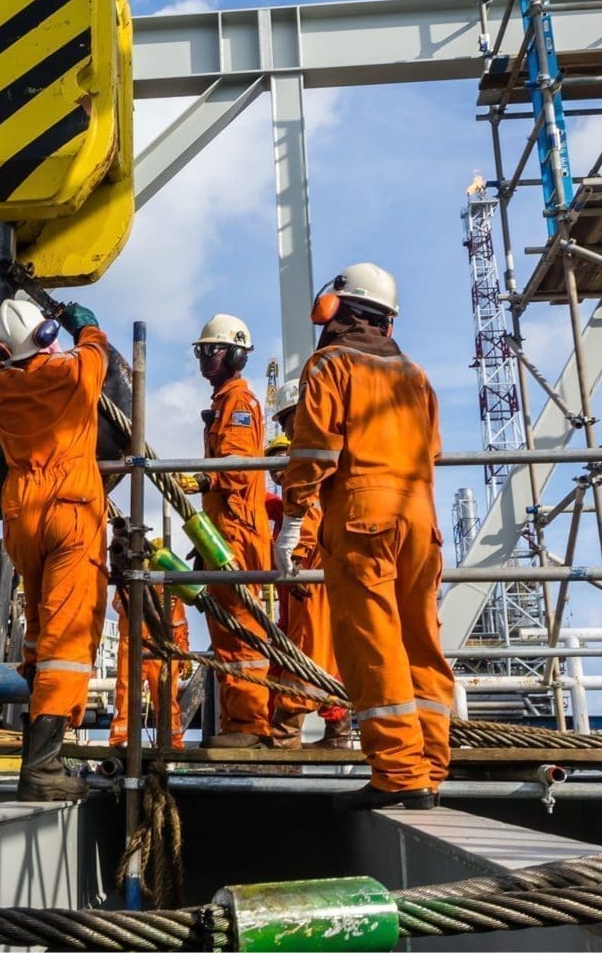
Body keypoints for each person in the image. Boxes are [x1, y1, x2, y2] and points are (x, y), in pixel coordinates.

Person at [275, 263, 454, 809]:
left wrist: (292, 519)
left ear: (335, 309)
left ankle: (399, 775)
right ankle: (430, 769)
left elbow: (313, 453)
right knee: (421, 641)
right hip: (421, 517)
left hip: (362, 516)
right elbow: (435, 451)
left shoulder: (330, 364)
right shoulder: (417, 375)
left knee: (373, 645)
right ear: (389, 321)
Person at [0, 295, 108, 802]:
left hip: (21, 516)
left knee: (38, 632)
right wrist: (86, 323)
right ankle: (43, 768)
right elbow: (98, 351)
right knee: (68, 643)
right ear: (46, 338)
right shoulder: (73, 375)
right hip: (70, 511)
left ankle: (38, 753)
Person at [188, 313, 274, 748]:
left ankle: (250, 725)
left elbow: (236, 470)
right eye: (201, 350)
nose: (206, 358)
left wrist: (202, 479)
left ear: (236, 355)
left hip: (238, 531)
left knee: (240, 628)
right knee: (225, 630)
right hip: (225, 531)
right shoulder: (224, 402)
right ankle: (239, 722)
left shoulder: (239, 402)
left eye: (213, 350)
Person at [263, 388, 350, 750]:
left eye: (287, 421)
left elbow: (310, 510)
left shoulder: (309, 459)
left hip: (309, 571)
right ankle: (338, 733)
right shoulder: (326, 451)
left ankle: (286, 736)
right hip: (320, 568)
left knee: (306, 649)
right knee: (322, 648)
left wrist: (296, 556)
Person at [110, 587, 190, 749]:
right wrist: (151, 604)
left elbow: (179, 623)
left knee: (166, 698)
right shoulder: (129, 579)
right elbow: (120, 605)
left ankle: (171, 744)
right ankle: (121, 741)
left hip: (163, 647)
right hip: (133, 644)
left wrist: (184, 654)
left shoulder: (170, 584)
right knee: (126, 695)